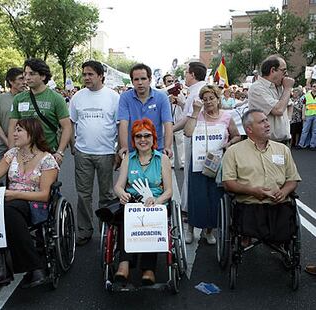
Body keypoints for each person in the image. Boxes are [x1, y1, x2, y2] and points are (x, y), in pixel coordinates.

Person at [0, 117, 59, 288]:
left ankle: (21, 268)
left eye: (19, 130)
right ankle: (3, 266)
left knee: (7, 211)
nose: (14, 134)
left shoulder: (47, 159)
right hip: (11, 201)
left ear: (31, 134)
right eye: (15, 130)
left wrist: (16, 194)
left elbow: (44, 195)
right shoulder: (12, 154)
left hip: (35, 204)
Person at [222, 109, 301, 246]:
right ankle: (247, 238)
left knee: (286, 226)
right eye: (262, 122)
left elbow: (292, 179)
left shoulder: (282, 149)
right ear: (249, 129)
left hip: (279, 204)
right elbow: (228, 183)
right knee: (246, 222)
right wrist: (254, 191)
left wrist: (284, 192)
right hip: (249, 205)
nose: (267, 124)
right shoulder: (233, 151)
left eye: (266, 120)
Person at [113, 118, 172, 285]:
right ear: (134, 140)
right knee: (126, 216)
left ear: (153, 138)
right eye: (138, 136)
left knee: (150, 222)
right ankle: (124, 263)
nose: (143, 140)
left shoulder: (162, 159)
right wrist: (122, 193)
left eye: (147, 135)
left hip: (155, 203)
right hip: (133, 201)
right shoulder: (128, 159)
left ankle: (148, 268)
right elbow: (118, 186)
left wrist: (157, 200)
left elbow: (168, 191)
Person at [69, 61, 120, 246]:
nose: (86, 78)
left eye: (90, 74)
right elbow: (71, 122)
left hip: (106, 152)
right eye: (84, 74)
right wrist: (73, 144)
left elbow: (120, 125)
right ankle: (84, 230)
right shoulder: (77, 97)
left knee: (106, 195)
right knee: (83, 195)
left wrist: (118, 150)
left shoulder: (114, 97)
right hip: (83, 153)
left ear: (100, 76)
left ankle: (107, 231)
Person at [184, 85, 240, 244]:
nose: (208, 102)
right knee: (196, 196)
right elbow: (188, 132)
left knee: (214, 196)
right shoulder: (197, 116)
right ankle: (190, 229)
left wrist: (228, 144)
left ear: (218, 99)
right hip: (198, 163)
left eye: (211, 98)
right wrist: (195, 112)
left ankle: (209, 231)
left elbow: (236, 136)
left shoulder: (226, 117)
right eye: (205, 99)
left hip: (217, 163)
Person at [8, 58, 72, 166]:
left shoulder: (56, 98)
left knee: (46, 183)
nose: (27, 77)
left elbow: (67, 127)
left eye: (32, 74)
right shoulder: (18, 99)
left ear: (43, 76)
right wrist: (12, 151)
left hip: (47, 153)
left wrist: (60, 152)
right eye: (25, 74)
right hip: (23, 154)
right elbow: (12, 127)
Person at [172, 62, 207, 214]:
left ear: (192, 74)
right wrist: (181, 103)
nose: (184, 76)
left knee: (191, 174)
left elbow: (189, 118)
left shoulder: (197, 91)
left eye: (186, 72)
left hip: (195, 137)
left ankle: (188, 208)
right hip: (199, 137)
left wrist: (169, 130)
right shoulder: (198, 89)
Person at [118, 63, 173, 158]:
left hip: (156, 150)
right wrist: (124, 147)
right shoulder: (125, 97)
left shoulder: (162, 97)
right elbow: (123, 123)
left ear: (150, 80)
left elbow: (168, 124)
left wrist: (167, 147)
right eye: (136, 79)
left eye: (143, 78)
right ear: (132, 81)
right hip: (132, 151)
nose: (140, 83)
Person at [248, 55, 295, 145]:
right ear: (272, 70)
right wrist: (288, 88)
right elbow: (278, 110)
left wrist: (287, 121)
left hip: (284, 142)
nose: (286, 74)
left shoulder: (279, 86)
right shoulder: (257, 88)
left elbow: (289, 105)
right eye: (284, 71)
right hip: (267, 143)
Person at [0, 68, 25, 164]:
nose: (24, 82)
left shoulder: (28, 98)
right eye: (20, 79)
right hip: (3, 146)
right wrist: (8, 143)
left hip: (26, 146)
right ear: (11, 81)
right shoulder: (0, 99)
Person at [163, 74, 185, 169]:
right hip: (167, 123)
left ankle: (182, 163)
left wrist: (179, 102)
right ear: (164, 83)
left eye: (172, 81)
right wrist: (168, 101)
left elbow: (186, 108)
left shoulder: (180, 94)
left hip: (179, 122)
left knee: (181, 142)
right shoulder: (163, 95)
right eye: (169, 81)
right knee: (168, 143)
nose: (171, 83)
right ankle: (169, 162)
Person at [298, 82, 316, 150]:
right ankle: (301, 144)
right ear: (311, 87)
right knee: (305, 130)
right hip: (308, 115)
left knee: (314, 131)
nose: (315, 88)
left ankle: (312, 145)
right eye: (314, 86)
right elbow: (304, 106)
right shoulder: (306, 95)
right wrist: (303, 115)